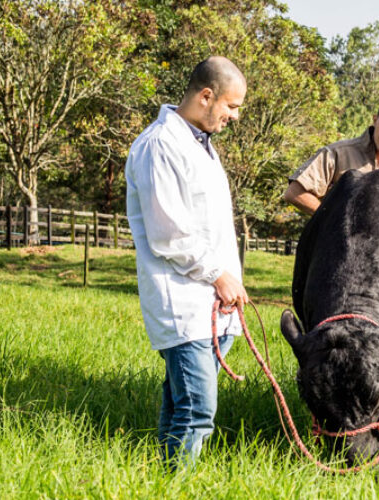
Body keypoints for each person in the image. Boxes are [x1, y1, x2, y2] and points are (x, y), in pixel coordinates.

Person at [125, 56, 250, 470]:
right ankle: (177, 483)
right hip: (183, 301)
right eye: (231, 107)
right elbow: (168, 233)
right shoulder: (160, 145)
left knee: (180, 403)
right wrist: (218, 275)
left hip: (211, 304)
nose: (234, 116)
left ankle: (161, 479)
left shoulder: (201, 144)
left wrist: (229, 278)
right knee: (198, 412)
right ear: (206, 95)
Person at [283, 93, 379, 214]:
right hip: (337, 240)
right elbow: (294, 192)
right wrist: (334, 221)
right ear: (375, 120)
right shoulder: (336, 153)